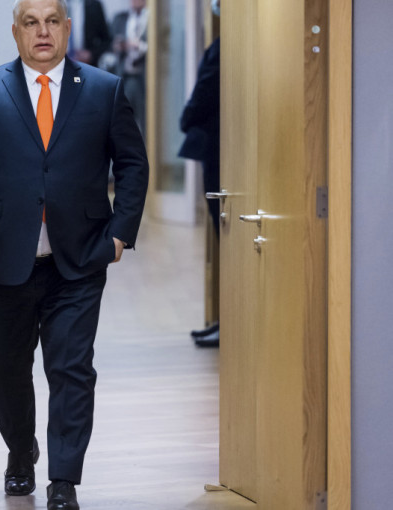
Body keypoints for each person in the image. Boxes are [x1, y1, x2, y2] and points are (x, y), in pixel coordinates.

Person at [0, 0, 149, 508]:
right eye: (31, 23)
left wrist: (120, 234)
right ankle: (20, 449)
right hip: (3, 258)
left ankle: (64, 480)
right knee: (2, 370)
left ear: (67, 28)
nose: (43, 31)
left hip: (80, 258)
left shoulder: (103, 89)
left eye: (52, 21)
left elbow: (133, 165)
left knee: (72, 369)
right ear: (16, 32)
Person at [178, 0, 221, 347]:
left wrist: (185, 118)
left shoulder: (224, 48)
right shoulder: (224, 46)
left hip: (221, 151)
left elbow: (204, 92)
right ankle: (225, 319)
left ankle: (230, 321)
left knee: (226, 235)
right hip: (218, 149)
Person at [111, 0, 149, 133]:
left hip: (145, 78)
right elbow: (109, 44)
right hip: (125, 77)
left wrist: (139, 46)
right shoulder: (120, 19)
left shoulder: (154, 19)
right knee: (121, 122)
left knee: (147, 121)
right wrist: (118, 46)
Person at [66, 0, 111, 67]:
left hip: (86, 65)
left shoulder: (94, 6)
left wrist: (91, 54)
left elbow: (106, 40)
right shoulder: (53, 6)